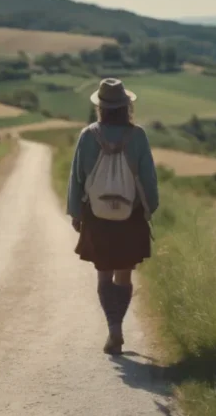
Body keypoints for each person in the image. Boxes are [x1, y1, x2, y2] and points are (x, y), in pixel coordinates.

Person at [66, 78, 159, 355]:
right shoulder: (138, 136)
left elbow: (77, 178)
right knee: (124, 276)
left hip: (96, 215)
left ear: (101, 107)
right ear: (126, 106)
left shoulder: (87, 135)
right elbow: (149, 179)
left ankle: (113, 330)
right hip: (131, 216)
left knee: (103, 276)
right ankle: (118, 324)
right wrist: (149, 209)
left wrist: (75, 213)